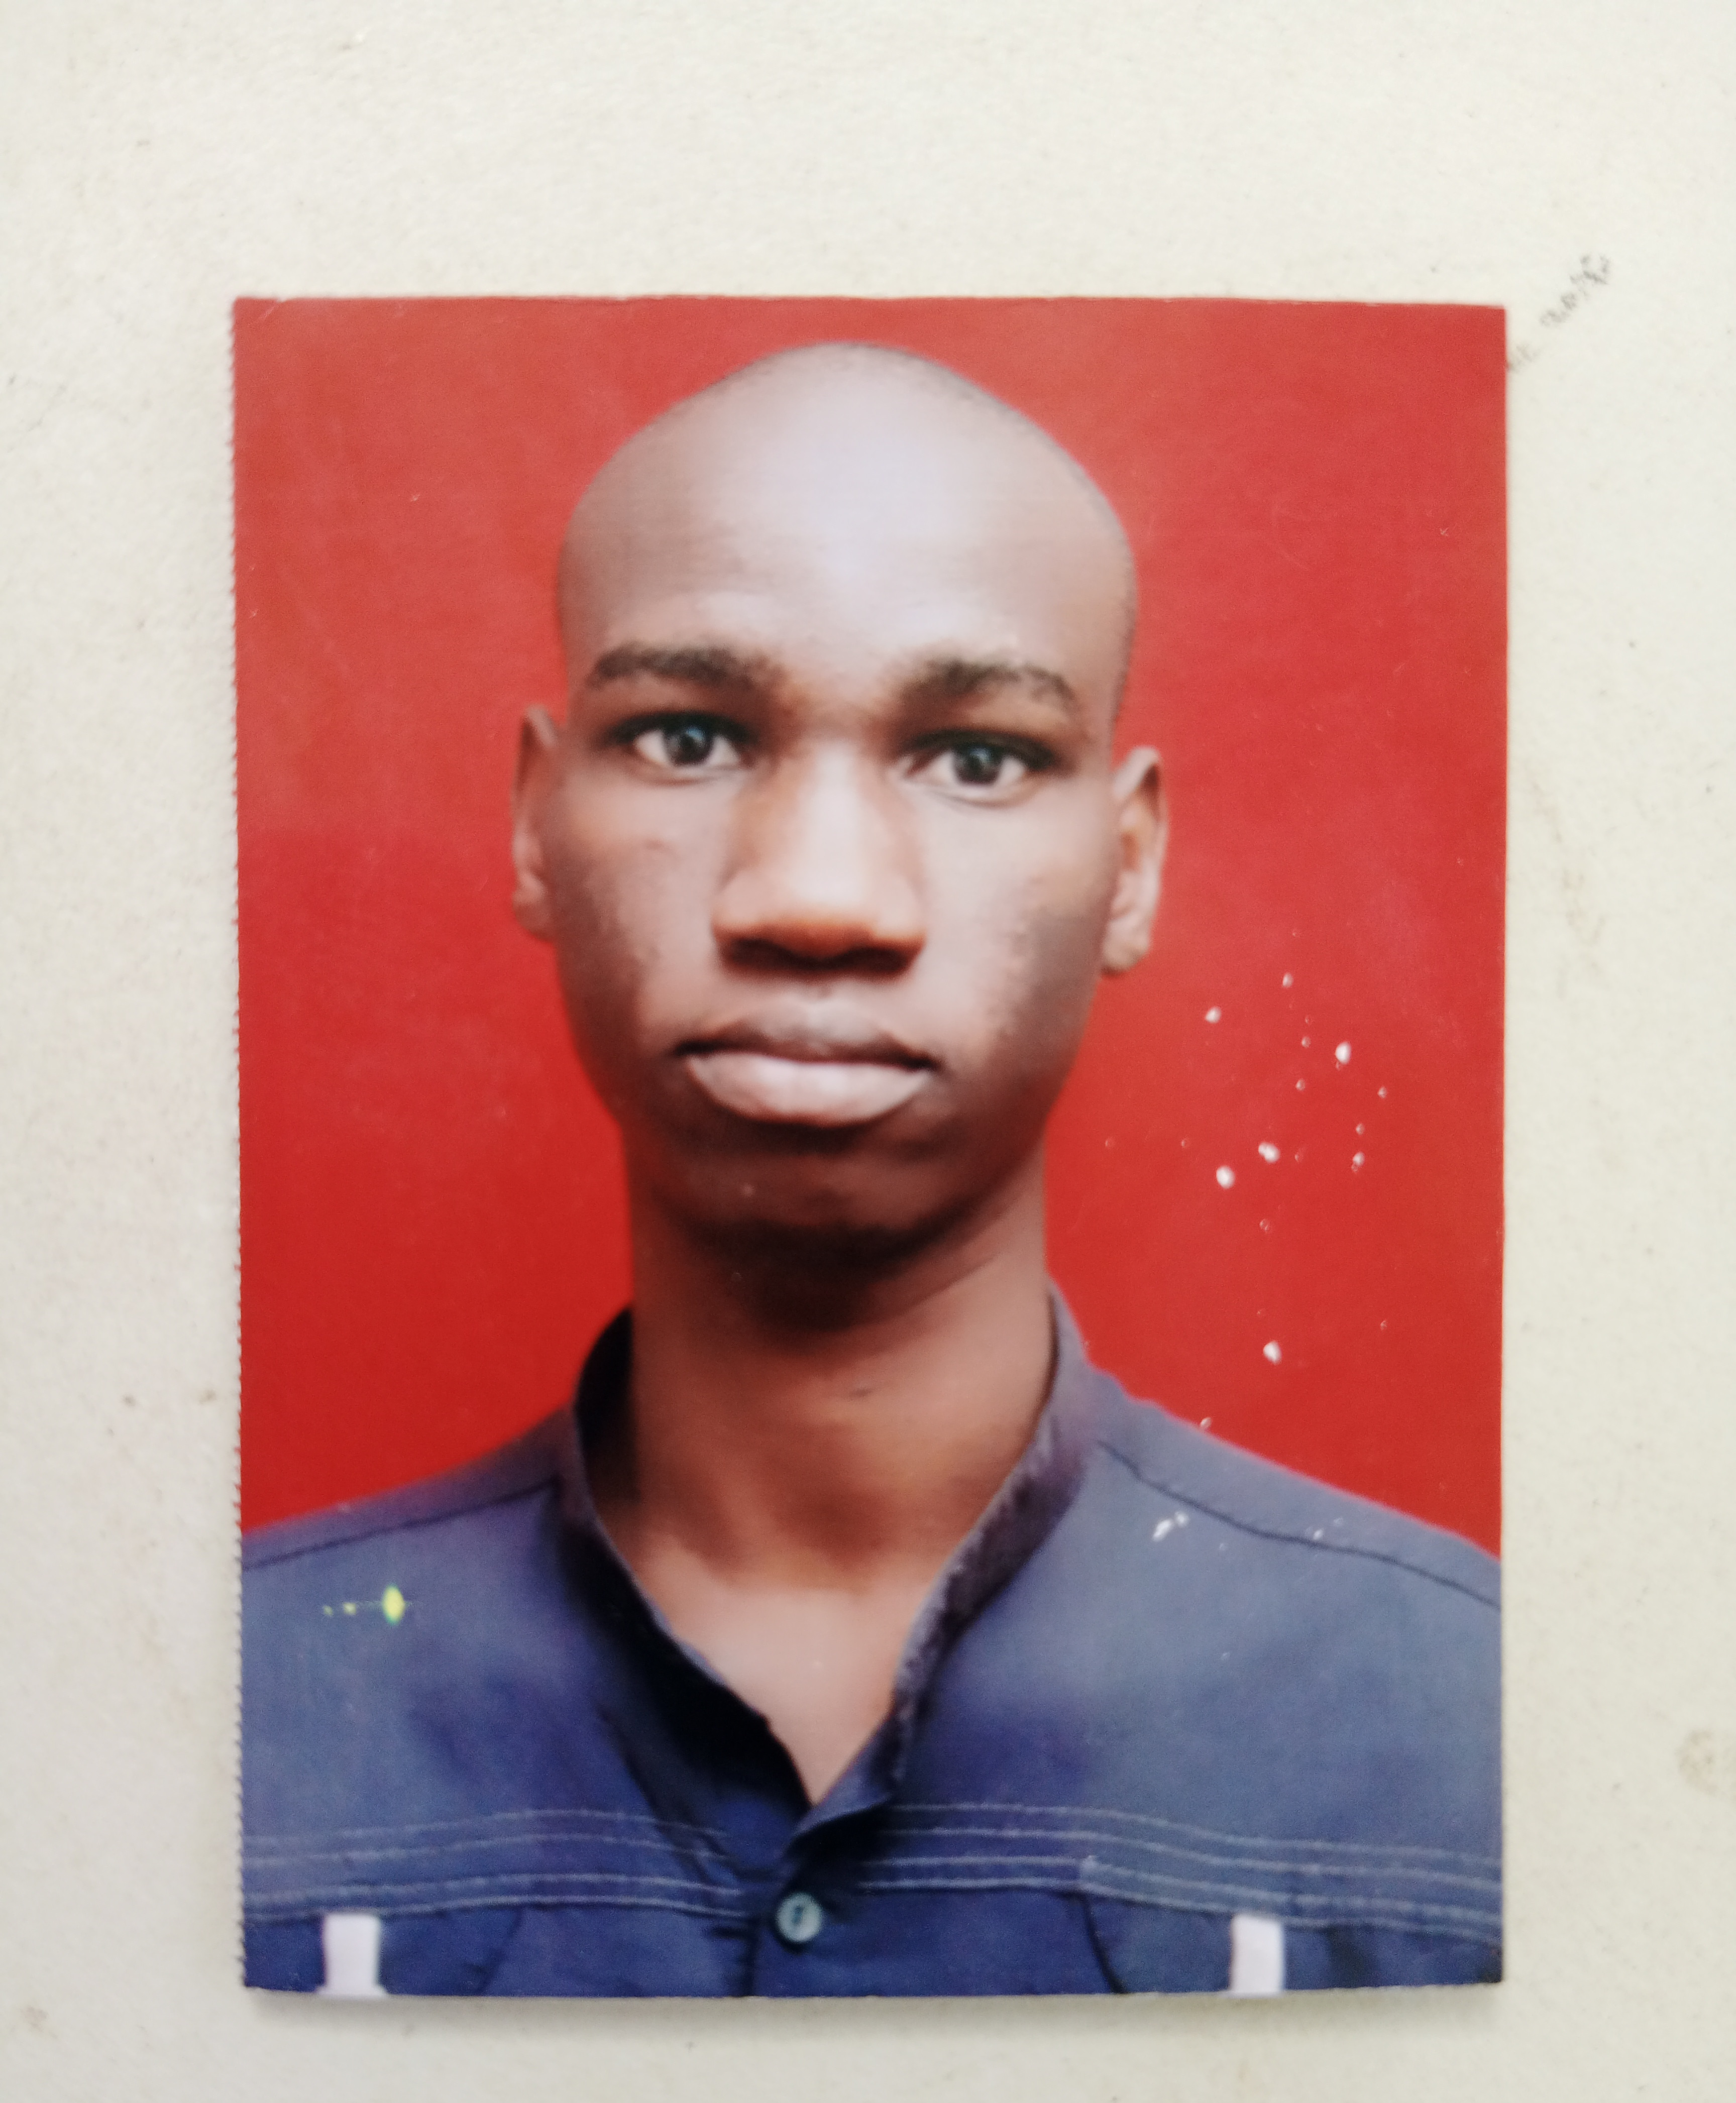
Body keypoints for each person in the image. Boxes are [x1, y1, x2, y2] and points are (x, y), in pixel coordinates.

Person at [243, 344, 1500, 1999]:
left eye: (977, 757)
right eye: (689, 736)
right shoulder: (213, 1718)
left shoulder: (1471, 1725)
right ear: (537, 824)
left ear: (1129, 869)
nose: (820, 898)